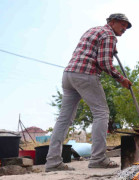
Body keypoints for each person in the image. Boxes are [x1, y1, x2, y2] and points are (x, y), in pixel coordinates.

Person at [45, 13, 133, 172]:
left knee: (64, 119)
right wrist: (121, 79)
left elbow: (90, 52)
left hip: (69, 75)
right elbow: (104, 62)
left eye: (126, 26)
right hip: (86, 75)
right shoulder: (109, 35)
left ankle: (52, 161)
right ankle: (98, 158)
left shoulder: (92, 30)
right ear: (112, 22)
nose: (125, 28)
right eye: (122, 24)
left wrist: (109, 48)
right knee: (101, 113)